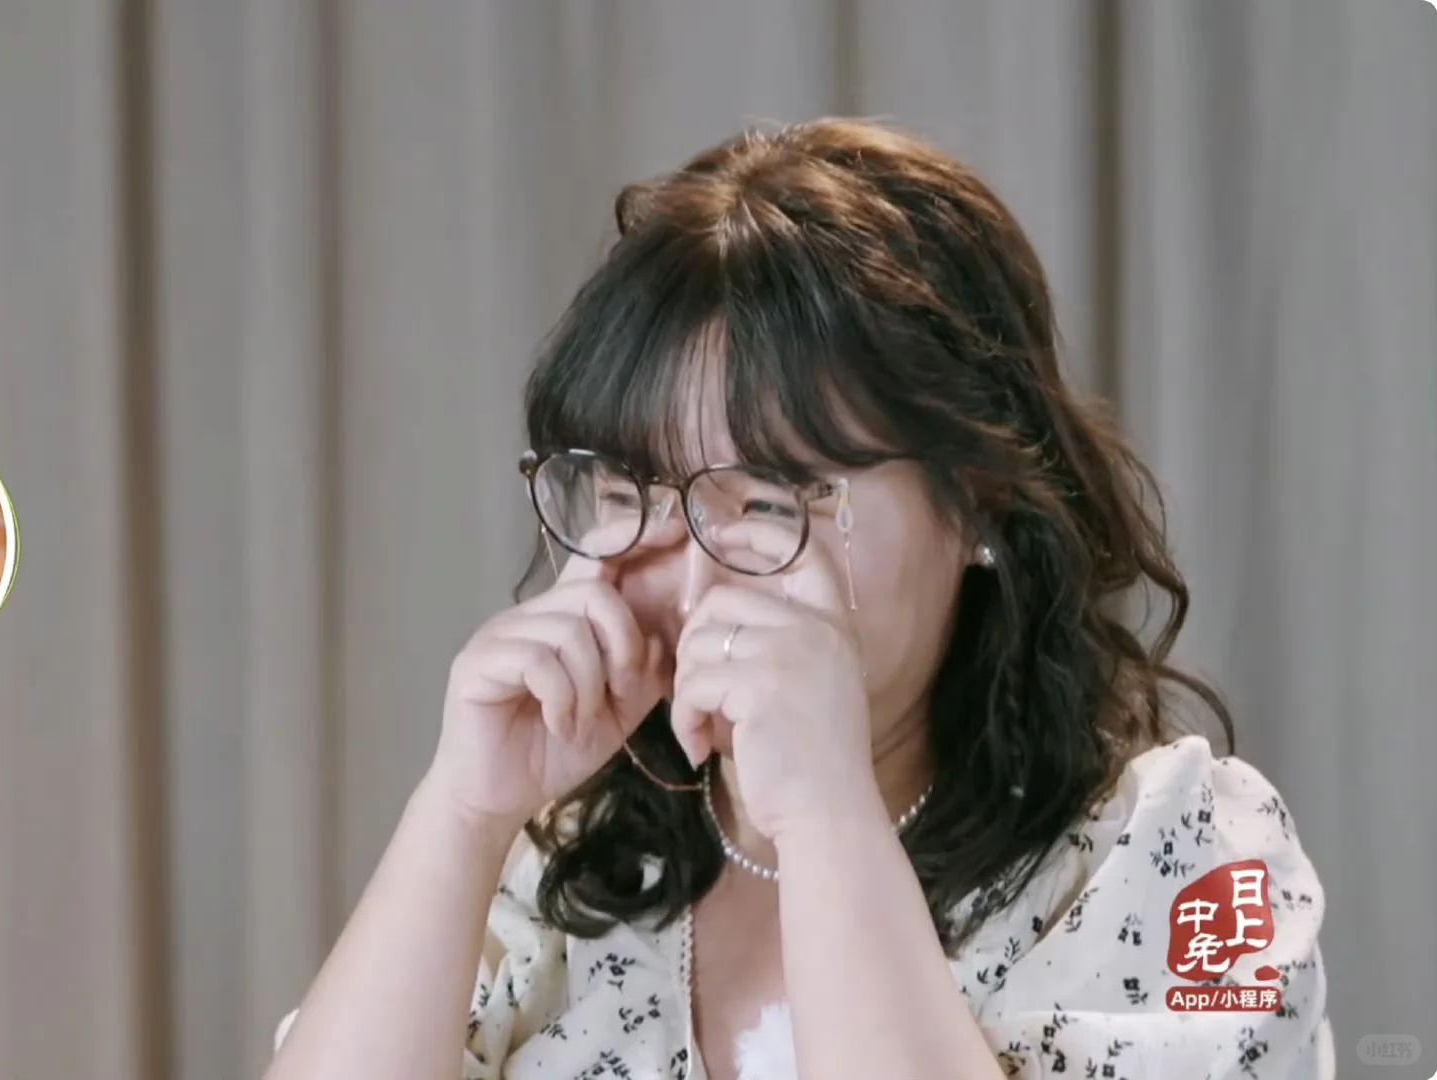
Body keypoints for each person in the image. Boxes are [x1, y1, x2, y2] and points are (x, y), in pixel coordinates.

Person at [265, 119, 1332, 1080]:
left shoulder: (1180, 851)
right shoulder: (558, 870)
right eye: (632, 493)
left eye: (769, 499)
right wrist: (462, 813)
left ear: (978, 497)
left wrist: (826, 814)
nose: (695, 580)